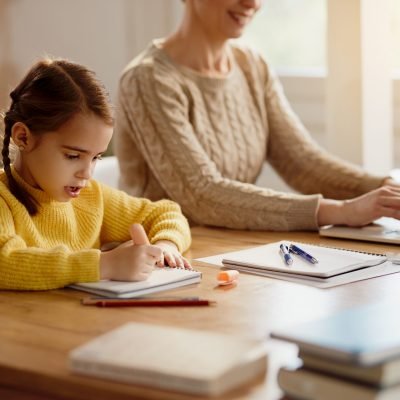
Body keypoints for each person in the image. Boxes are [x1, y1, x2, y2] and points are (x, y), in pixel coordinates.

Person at [114, 0, 400, 231]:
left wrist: (385, 189)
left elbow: (301, 162)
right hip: (160, 258)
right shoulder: (148, 79)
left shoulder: (251, 65)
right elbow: (201, 195)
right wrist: (340, 211)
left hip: (232, 249)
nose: (252, 3)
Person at [0, 58, 191, 291]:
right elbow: (5, 262)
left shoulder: (91, 197)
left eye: (96, 157)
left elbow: (165, 212)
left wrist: (166, 246)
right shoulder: (4, 200)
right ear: (23, 137)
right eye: (72, 156)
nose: (87, 173)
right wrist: (104, 265)